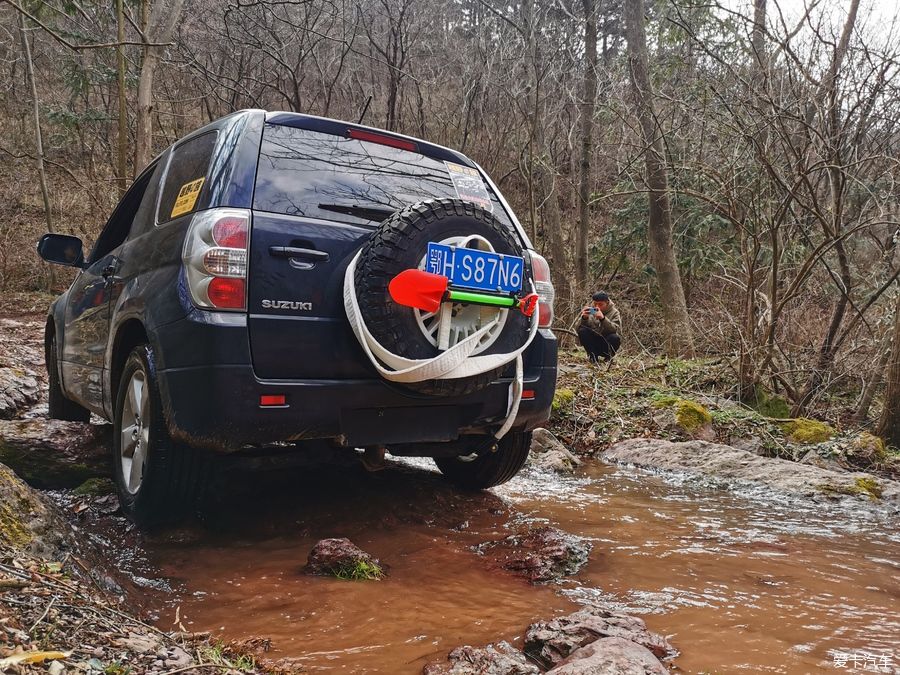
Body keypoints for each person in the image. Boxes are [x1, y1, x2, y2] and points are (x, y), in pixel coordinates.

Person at [577, 291, 622, 363]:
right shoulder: (591, 310)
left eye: (600, 304)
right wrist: (584, 318)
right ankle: (593, 357)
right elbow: (578, 329)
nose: (597, 307)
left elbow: (614, 329)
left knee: (615, 338)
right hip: (593, 342)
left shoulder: (615, 312)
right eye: (595, 304)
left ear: (607, 303)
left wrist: (602, 319)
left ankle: (608, 357)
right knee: (582, 331)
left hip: (606, 343)